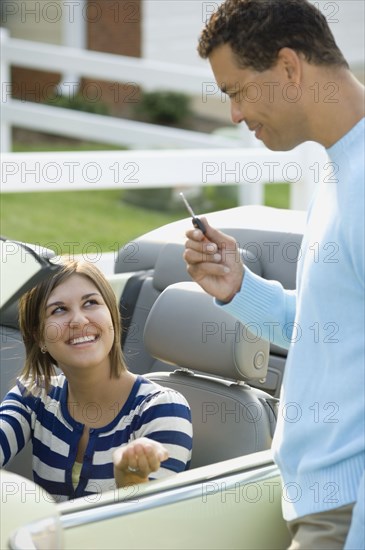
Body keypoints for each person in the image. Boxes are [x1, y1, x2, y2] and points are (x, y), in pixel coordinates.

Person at [184, 1, 364, 548]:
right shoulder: (339, 172)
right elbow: (327, 333)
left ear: (288, 67)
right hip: (319, 505)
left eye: (236, 91)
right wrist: (239, 288)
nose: (235, 115)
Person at [0, 260, 192, 502]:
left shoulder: (162, 409)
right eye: (58, 309)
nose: (79, 321)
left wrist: (131, 482)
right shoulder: (33, 394)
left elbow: (150, 528)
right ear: (39, 337)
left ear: (112, 317)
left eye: (90, 303)